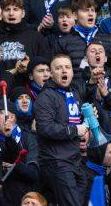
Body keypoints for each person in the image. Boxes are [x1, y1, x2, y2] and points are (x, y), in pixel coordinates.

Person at [34, 54, 89, 205]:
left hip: (75, 160)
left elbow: (77, 122)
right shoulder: (46, 96)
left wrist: (86, 124)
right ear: (51, 74)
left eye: (67, 67)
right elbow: (46, 128)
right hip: (57, 162)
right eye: (58, 68)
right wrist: (74, 131)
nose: (64, 71)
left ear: (72, 72)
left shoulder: (74, 93)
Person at [54, 0, 111, 79]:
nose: (91, 14)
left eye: (93, 10)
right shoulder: (62, 42)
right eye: (85, 10)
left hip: (103, 88)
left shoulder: (109, 40)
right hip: (76, 89)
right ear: (75, 15)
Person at [0, 0, 51, 72]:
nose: (11, 13)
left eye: (15, 9)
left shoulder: (36, 37)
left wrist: (30, 66)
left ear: (23, 13)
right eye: (7, 10)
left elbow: (45, 66)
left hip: (27, 82)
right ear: (2, 13)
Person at [0, 99, 39, 206]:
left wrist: (15, 167)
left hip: (21, 198)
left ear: (12, 117)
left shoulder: (28, 138)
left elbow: (34, 174)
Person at [85, 41, 111, 106]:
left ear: (105, 59)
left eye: (100, 51)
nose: (97, 52)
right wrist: (92, 82)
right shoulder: (80, 80)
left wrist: (107, 94)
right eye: (93, 51)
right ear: (86, 59)